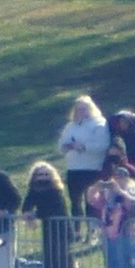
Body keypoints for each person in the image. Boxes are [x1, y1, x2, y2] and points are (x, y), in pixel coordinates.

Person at [86, 167, 135, 268]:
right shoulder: (108, 192)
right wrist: (95, 188)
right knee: (111, 266)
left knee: (126, 265)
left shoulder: (133, 189)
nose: (117, 179)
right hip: (109, 234)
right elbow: (92, 201)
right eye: (115, 176)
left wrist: (119, 191)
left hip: (127, 233)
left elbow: (133, 206)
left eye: (121, 176)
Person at [21, 161, 74, 268]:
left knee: (61, 265)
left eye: (46, 174)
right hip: (48, 231)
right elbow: (26, 205)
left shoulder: (55, 190)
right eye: (39, 174)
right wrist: (27, 214)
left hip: (61, 230)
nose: (43, 177)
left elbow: (51, 210)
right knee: (50, 264)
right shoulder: (34, 189)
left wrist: (34, 214)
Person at [58, 96, 111, 224]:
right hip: (73, 169)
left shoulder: (99, 124)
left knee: (91, 201)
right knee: (75, 201)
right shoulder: (70, 126)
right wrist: (67, 146)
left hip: (92, 168)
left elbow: (103, 145)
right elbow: (61, 144)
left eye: (84, 109)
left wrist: (83, 147)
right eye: (78, 109)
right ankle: (77, 230)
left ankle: (92, 231)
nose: (81, 112)